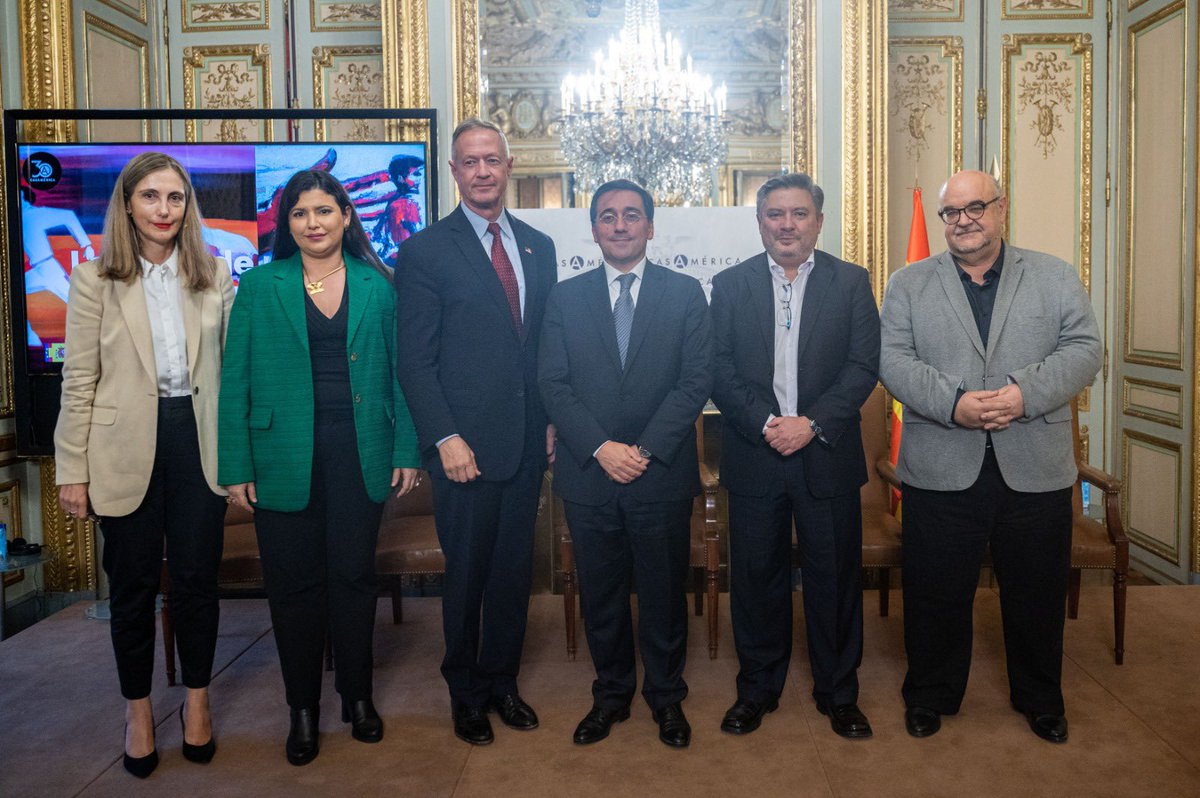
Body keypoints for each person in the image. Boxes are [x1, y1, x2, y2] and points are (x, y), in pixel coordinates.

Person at [878, 169, 1102, 743]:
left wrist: (1023, 395)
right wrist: (955, 405)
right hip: (940, 463)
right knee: (934, 593)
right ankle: (930, 695)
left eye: (975, 207)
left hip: (1034, 465)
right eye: (951, 212)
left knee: (1036, 592)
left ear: (1001, 209)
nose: (963, 220)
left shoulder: (1052, 275)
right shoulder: (908, 283)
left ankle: (1041, 699)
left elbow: (1084, 349)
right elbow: (893, 360)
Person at [218, 169, 421, 765]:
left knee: (354, 581)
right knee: (294, 588)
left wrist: (407, 449)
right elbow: (235, 382)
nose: (313, 223)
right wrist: (235, 463)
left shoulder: (378, 285)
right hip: (281, 455)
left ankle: (357, 698)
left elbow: (400, 374)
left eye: (324, 212)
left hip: (362, 450)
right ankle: (301, 709)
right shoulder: (259, 287)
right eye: (301, 213)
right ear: (287, 223)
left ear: (347, 217)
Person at [54, 151, 235, 778]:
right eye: (152, 197)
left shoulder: (214, 273)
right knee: (131, 591)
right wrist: (71, 469)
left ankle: (198, 703)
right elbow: (78, 381)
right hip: (120, 447)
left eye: (176, 198)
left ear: (188, 207)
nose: (165, 209)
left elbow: (234, 373)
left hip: (197, 442)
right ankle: (136, 712)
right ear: (128, 204)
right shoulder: (93, 279)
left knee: (196, 583)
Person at [395, 118, 557, 746]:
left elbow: (540, 348)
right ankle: (464, 693)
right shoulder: (426, 250)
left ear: (509, 165)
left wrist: (546, 424)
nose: (483, 171)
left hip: (523, 445)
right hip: (461, 450)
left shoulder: (538, 245)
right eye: (471, 162)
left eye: (492, 159)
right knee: (465, 575)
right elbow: (415, 358)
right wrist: (443, 437)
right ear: (455, 172)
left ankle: (502, 684)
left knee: (513, 574)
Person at [539, 179, 712, 748]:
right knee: (603, 594)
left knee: (664, 593)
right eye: (608, 216)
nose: (619, 225)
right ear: (593, 230)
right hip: (590, 474)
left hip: (658, 473)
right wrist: (600, 447)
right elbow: (554, 384)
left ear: (650, 226)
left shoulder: (686, 293)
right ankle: (611, 695)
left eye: (632, 215)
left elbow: (694, 384)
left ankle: (666, 699)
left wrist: (641, 451)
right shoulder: (564, 298)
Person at [709, 172, 880, 739]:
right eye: (775, 214)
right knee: (757, 579)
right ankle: (757, 689)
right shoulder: (729, 286)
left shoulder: (851, 282)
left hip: (825, 454)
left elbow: (862, 367)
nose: (787, 224)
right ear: (760, 223)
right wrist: (766, 424)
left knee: (834, 578)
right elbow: (719, 370)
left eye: (799, 213)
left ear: (819, 221)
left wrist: (810, 424)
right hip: (755, 455)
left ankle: (840, 693)